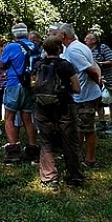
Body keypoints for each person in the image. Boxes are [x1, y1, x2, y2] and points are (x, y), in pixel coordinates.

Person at [34, 36, 84, 191]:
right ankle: (74, 177)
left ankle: (49, 178)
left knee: (46, 142)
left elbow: (33, 84)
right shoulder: (66, 66)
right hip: (64, 107)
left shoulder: (38, 65)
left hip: (41, 106)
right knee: (70, 141)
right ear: (60, 49)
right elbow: (77, 89)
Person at [59, 24, 102, 167]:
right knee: (80, 127)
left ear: (63, 35)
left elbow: (91, 69)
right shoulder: (78, 46)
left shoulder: (73, 50)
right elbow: (94, 65)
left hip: (85, 96)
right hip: (82, 95)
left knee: (88, 129)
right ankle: (78, 156)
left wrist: (98, 82)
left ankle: (90, 160)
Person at [0, 23, 40, 163]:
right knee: (28, 118)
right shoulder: (35, 46)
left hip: (14, 84)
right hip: (30, 85)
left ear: (14, 34)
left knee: (9, 117)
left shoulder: (11, 46)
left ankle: (13, 152)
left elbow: (2, 64)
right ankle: (32, 149)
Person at [84, 33, 112, 134]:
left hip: (107, 79)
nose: (85, 40)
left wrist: (100, 64)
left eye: (87, 38)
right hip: (95, 80)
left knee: (110, 101)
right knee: (99, 102)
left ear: (94, 40)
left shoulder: (103, 48)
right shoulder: (86, 50)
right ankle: (102, 123)